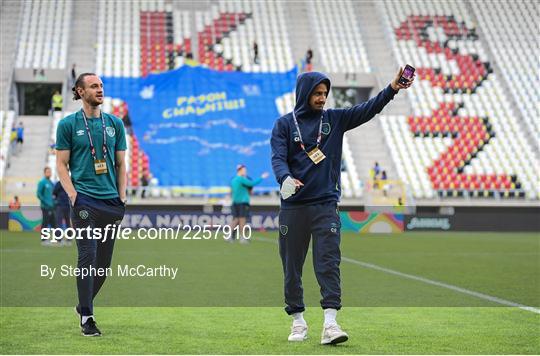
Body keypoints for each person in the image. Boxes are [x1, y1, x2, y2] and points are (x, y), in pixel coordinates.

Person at [270, 68, 414, 344]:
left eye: (325, 93)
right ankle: (298, 321)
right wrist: (285, 178)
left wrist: (392, 88)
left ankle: (330, 324)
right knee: (292, 267)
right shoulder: (284, 125)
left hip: (325, 205)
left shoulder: (335, 119)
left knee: (329, 263)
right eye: (317, 93)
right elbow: (278, 158)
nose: (323, 98)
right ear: (304, 93)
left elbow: (368, 108)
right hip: (293, 207)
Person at [56, 72, 127, 337]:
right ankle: (88, 317)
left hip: (111, 202)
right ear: (80, 91)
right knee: (87, 256)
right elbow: (61, 165)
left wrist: (122, 197)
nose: (100, 90)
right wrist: (74, 195)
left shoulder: (115, 124)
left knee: (103, 266)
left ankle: (82, 304)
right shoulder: (67, 125)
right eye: (94, 86)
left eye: (101, 86)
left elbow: (121, 164)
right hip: (84, 200)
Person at [229, 164, 268, 243]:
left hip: (235, 202)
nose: (245, 172)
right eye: (244, 170)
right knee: (242, 219)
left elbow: (232, 191)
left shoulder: (233, 179)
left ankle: (230, 236)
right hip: (243, 202)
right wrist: (262, 177)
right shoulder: (241, 179)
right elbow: (252, 183)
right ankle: (242, 237)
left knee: (235, 219)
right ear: (240, 170)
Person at [53, 180, 71, 244]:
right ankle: (68, 239)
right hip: (66, 205)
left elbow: (54, 193)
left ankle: (59, 239)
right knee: (67, 223)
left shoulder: (59, 183)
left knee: (60, 223)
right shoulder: (70, 182)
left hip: (61, 205)